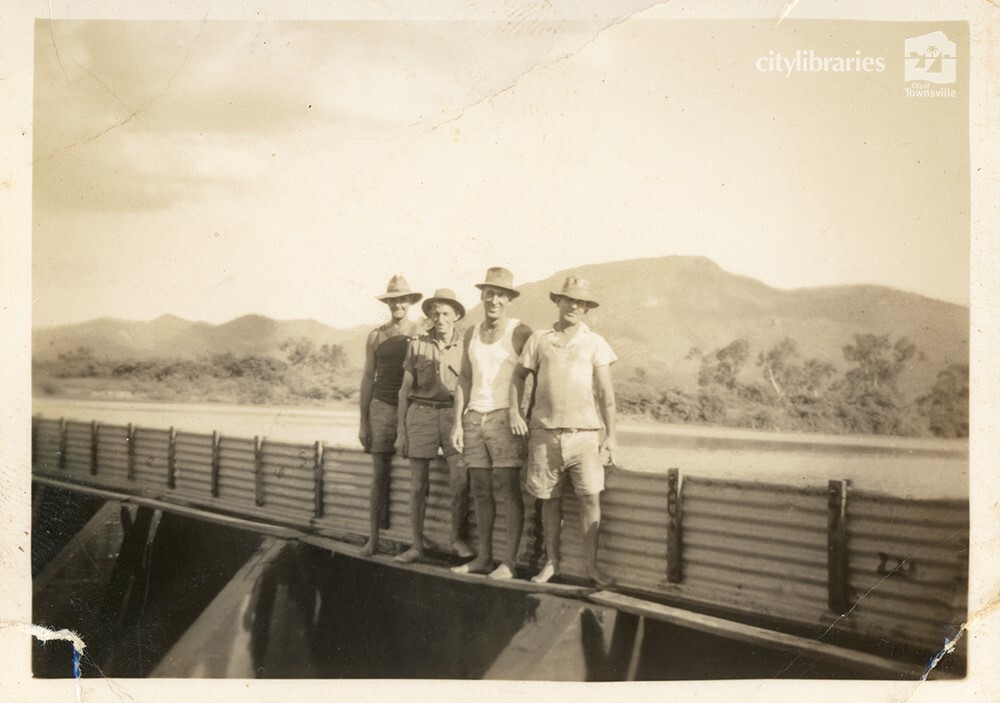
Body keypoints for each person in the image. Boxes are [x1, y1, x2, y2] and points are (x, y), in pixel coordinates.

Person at [510, 276, 617, 588]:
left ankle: (592, 568)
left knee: (590, 501)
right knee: (549, 501)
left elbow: (605, 393)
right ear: (557, 302)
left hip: (585, 436)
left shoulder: (596, 343)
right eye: (568, 300)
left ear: (586, 308)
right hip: (544, 436)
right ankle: (552, 563)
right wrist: (515, 412)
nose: (574, 306)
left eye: (581, 302)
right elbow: (517, 378)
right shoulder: (540, 339)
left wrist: (612, 436)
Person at [449, 268, 532, 579]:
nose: (494, 299)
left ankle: (508, 562)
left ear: (509, 298)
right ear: (482, 295)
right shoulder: (471, 332)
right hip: (474, 418)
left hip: (503, 418)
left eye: (501, 294)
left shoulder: (520, 331)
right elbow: (465, 378)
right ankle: (484, 558)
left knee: (509, 489)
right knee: (481, 490)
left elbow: (533, 374)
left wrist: (518, 411)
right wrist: (458, 423)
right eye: (489, 293)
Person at [394, 289, 473, 563]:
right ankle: (416, 545)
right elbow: (404, 391)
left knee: (460, 482)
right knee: (418, 486)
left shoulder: (466, 347)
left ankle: (457, 539)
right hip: (421, 415)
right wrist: (401, 432)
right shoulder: (417, 345)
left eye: (446, 313)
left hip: (454, 416)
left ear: (457, 316)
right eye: (435, 313)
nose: (439, 318)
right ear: (429, 316)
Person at [359, 276, 423, 556]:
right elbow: (367, 377)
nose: (398, 304)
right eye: (393, 299)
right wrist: (363, 420)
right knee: (379, 475)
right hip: (382, 407)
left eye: (403, 299)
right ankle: (372, 539)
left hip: (412, 407)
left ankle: (416, 542)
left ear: (410, 302)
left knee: (417, 477)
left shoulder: (421, 331)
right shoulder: (376, 335)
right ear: (388, 303)